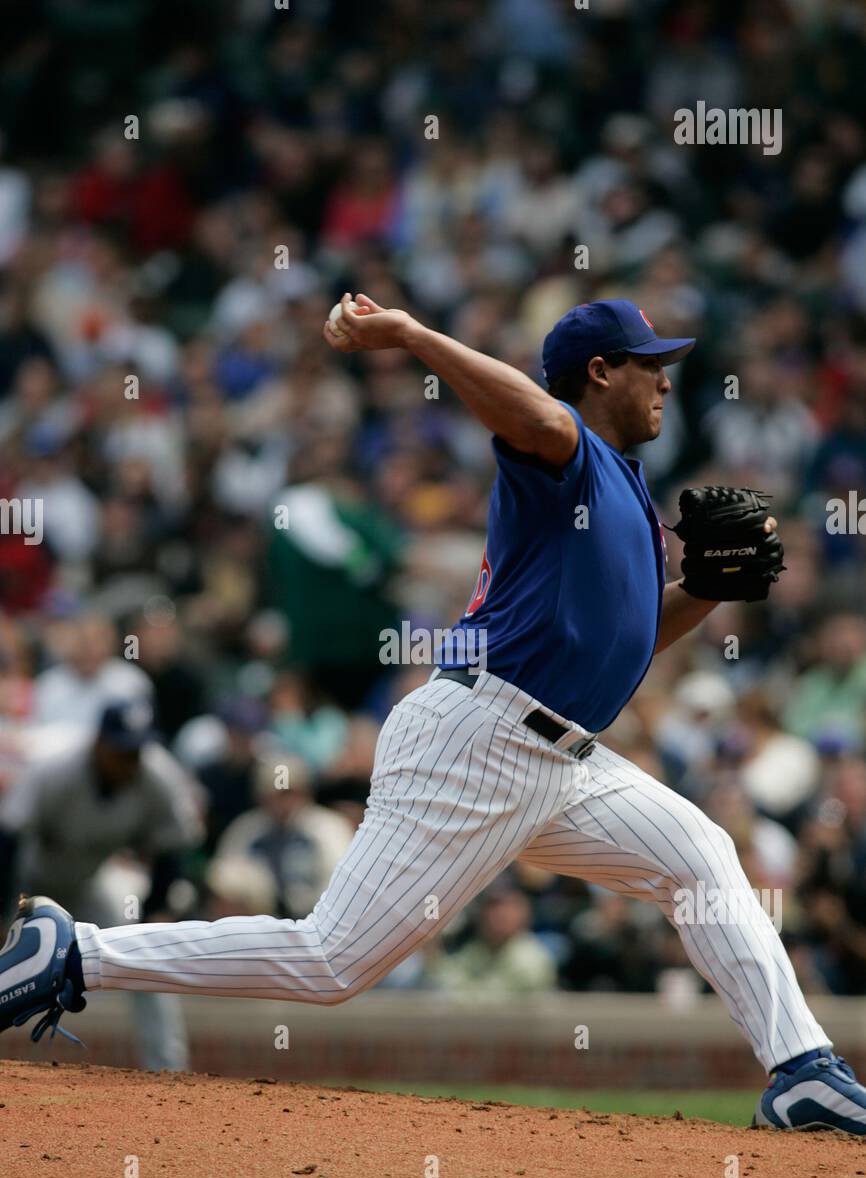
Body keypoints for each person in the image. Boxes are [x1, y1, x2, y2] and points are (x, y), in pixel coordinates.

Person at [3, 296, 865, 1134]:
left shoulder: (629, 499)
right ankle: (78, 952)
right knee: (332, 961)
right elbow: (530, 413)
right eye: (651, 366)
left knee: (703, 855)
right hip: (479, 738)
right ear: (600, 372)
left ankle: (802, 1073)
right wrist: (414, 334)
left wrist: (706, 591)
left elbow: (628, 644)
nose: (667, 383)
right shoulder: (566, 446)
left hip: (561, 760)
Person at [0, 698, 201, 1069]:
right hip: (26, 886)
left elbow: (172, 849)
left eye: (137, 750)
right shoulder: (56, 770)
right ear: (99, 743)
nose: (130, 760)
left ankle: (169, 1068)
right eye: (122, 749)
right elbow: (8, 839)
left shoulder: (157, 776)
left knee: (146, 955)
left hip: (88, 885)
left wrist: (154, 911)